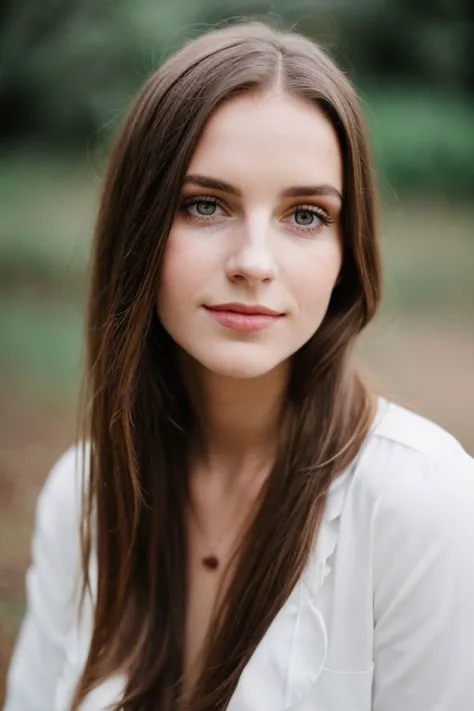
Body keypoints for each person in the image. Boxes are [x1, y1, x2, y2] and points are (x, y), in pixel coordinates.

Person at [3, 20, 474, 711]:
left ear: (349, 253)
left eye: (306, 215)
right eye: (205, 205)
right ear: (139, 226)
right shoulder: (81, 494)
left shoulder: (422, 503)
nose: (253, 262)